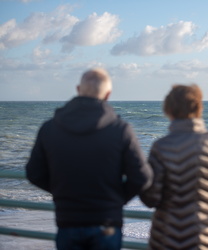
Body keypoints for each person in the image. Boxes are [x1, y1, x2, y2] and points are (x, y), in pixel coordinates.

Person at [25, 68, 153, 250]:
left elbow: (34, 173)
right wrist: (116, 199)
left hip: (68, 221)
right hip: (106, 221)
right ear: (108, 94)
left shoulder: (49, 128)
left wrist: (61, 192)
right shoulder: (120, 130)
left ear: (78, 89)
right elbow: (142, 177)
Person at [140, 84, 208, 250]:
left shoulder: (161, 147)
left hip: (167, 239)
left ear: (168, 109)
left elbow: (151, 198)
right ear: (199, 107)